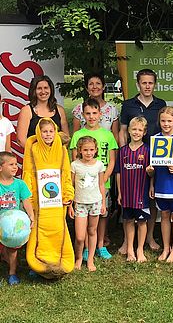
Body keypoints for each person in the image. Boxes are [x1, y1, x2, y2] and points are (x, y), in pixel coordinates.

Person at [119, 69, 166, 251]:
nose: (147, 86)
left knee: (150, 198)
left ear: (155, 84)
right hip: (131, 157)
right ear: (138, 84)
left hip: (153, 158)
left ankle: (149, 237)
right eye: (144, 83)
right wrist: (125, 152)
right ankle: (126, 241)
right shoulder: (129, 104)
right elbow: (123, 130)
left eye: (150, 83)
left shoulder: (160, 104)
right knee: (130, 198)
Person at [23, 118, 75, 278]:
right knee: (38, 230)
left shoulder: (62, 149)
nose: (48, 135)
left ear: (55, 131)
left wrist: (68, 194)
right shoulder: (32, 148)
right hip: (39, 201)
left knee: (57, 228)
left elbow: (66, 174)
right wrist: (29, 198)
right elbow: (28, 174)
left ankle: (57, 262)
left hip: (57, 202)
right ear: (39, 132)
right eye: (44, 131)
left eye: (51, 131)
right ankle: (38, 264)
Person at [70, 98, 118, 260]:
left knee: (101, 214)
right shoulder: (78, 135)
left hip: (103, 181)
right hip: (83, 185)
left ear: (100, 114)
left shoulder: (108, 134)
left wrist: (104, 178)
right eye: (88, 113)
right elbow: (74, 162)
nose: (91, 117)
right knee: (84, 216)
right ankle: (84, 249)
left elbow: (112, 159)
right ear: (83, 115)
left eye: (94, 113)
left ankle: (100, 244)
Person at [149, 106, 173, 263]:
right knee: (164, 215)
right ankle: (166, 248)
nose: (166, 124)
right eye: (163, 121)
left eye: (169, 121)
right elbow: (152, 165)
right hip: (160, 185)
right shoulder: (155, 139)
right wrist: (151, 181)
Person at [115, 117, 153, 262]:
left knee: (142, 222)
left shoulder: (148, 150)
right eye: (134, 129)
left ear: (144, 132)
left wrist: (151, 182)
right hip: (127, 193)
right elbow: (118, 172)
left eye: (140, 130)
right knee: (129, 220)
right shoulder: (123, 151)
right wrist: (119, 192)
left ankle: (140, 249)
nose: (136, 132)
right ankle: (130, 248)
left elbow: (152, 173)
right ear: (129, 131)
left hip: (141, 193)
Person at [69, 136, 106, 272]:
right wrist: (69, 205)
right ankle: (78, 258)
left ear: (96, 150)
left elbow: (101, 184)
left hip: (95, 202)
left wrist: (103, 203)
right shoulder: (75, 165)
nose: (88, 153)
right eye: (85, 150)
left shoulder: (99, 165)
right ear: (79, 150)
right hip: (80, 203)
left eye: (91, 150)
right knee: (79, 236)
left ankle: (90, 259)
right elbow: (70, 186)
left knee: (92, 230)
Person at [0, 152, 34, 285]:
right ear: (1, 167)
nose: (15, 167)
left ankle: (12, 273)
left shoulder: (20, 184)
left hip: (14, 225)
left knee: (12, 248)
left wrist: (31, 215)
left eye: (16, 164)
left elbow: (26, 201)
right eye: (11, 164)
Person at [16, 75, 69, 148]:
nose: (43, 91)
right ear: (34, 91)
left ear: (51, 89)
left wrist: (57, 152)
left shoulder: (60, 110)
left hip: (56, 156)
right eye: (39, 88)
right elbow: (20, 140)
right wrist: (38, 154)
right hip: (34, 156)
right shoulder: (26, 110)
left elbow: (66, 138)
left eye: (46, 88)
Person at [72, 72, 119, 141]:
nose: (94, 87)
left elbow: (115, 136)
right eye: (91, 84)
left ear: (103, 87)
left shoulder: (112, 110)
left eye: (98, 83)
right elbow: (75, 136)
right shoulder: (79, 109)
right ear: (87, 88)